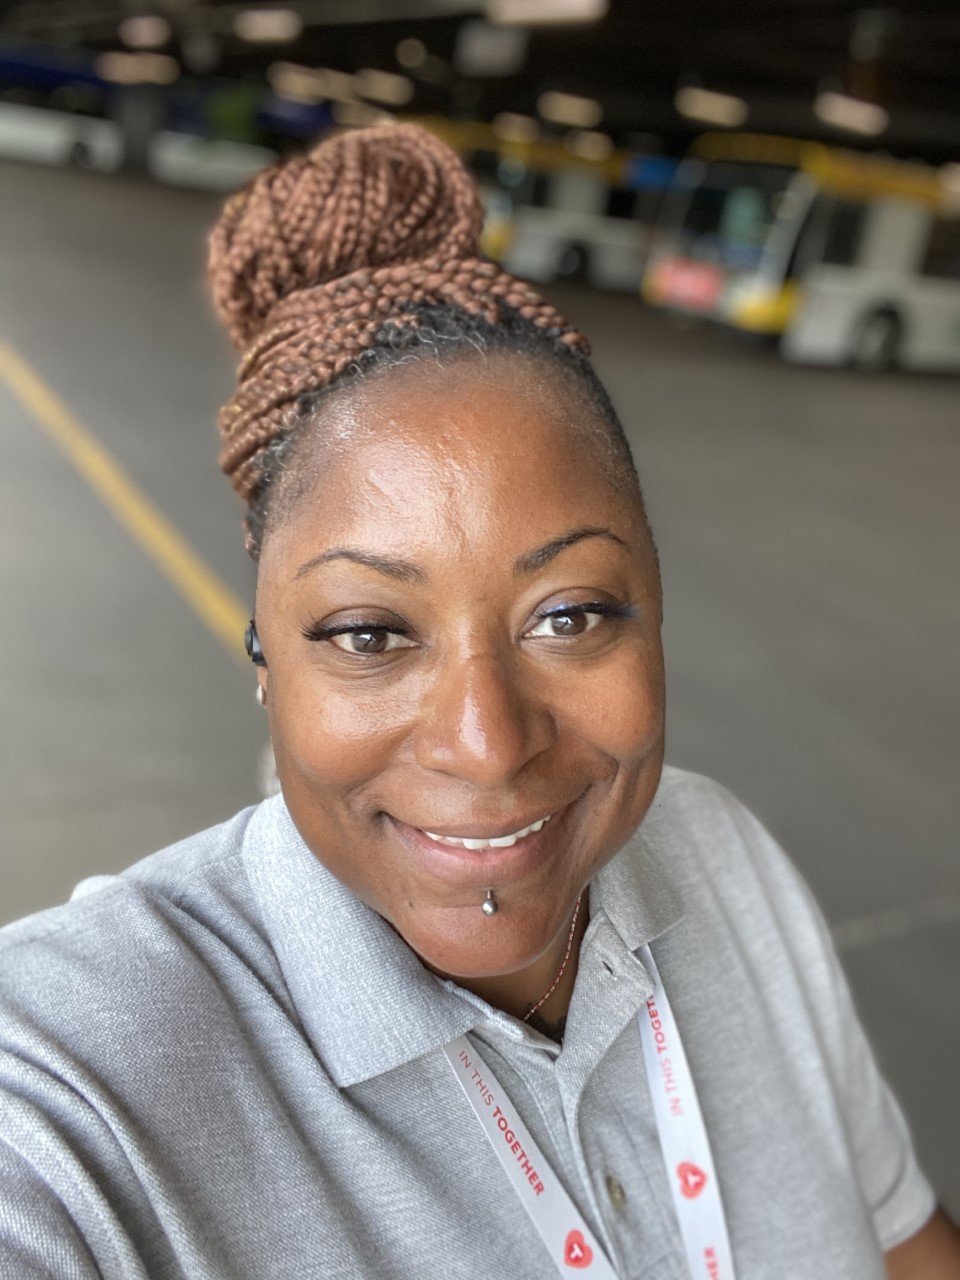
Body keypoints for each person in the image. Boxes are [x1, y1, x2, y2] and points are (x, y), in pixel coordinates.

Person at [0, 124, 956, 1280]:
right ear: (265, 654)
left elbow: (904, 1241)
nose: (488, 743)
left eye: (571, 614)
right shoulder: (73, 1082)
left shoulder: (719, 857)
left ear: (656, 607)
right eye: (369, 633)